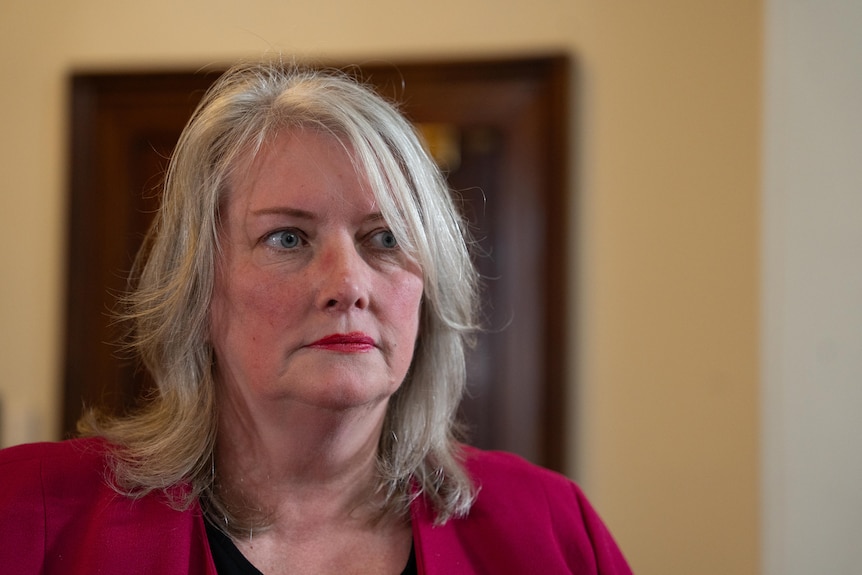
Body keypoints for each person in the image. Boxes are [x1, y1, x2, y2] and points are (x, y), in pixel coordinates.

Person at [0, 60, 632, 574]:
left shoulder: (551, 527)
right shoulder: (29, 514)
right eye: (287, 239)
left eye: (384, 238)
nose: (348, 285)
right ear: (197, 285)